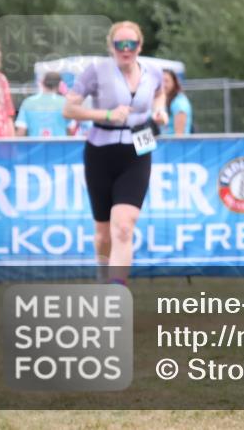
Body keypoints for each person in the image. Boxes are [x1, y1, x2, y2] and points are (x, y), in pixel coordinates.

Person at [62, 21, 168, 285]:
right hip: (101, 151)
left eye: (131, 44)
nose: (126, 49)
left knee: (123, 226)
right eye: (120, 44)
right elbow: (69, 110)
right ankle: (103, 275)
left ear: (140, 46)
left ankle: (116, 293)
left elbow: (160, 94)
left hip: (139, 148)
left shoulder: (153, 71)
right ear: (110, 46)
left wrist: (160, 111)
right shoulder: (95, 71)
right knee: (103, 233)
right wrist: (106, 114)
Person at [16, 71, 75, 136]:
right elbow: (71, 130)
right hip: (58, 146)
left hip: (34, 146)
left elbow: (21, 132)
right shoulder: (65, 103)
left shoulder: (28, 102)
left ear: (42, 83)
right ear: (60, 85)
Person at [161, 69, 193, 135]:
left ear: (174, 83)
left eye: (166, 81)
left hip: (173, 144)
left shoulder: (179, 103)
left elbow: (179, 135)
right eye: (161, 81)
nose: (163, 84)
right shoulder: (164, 99)